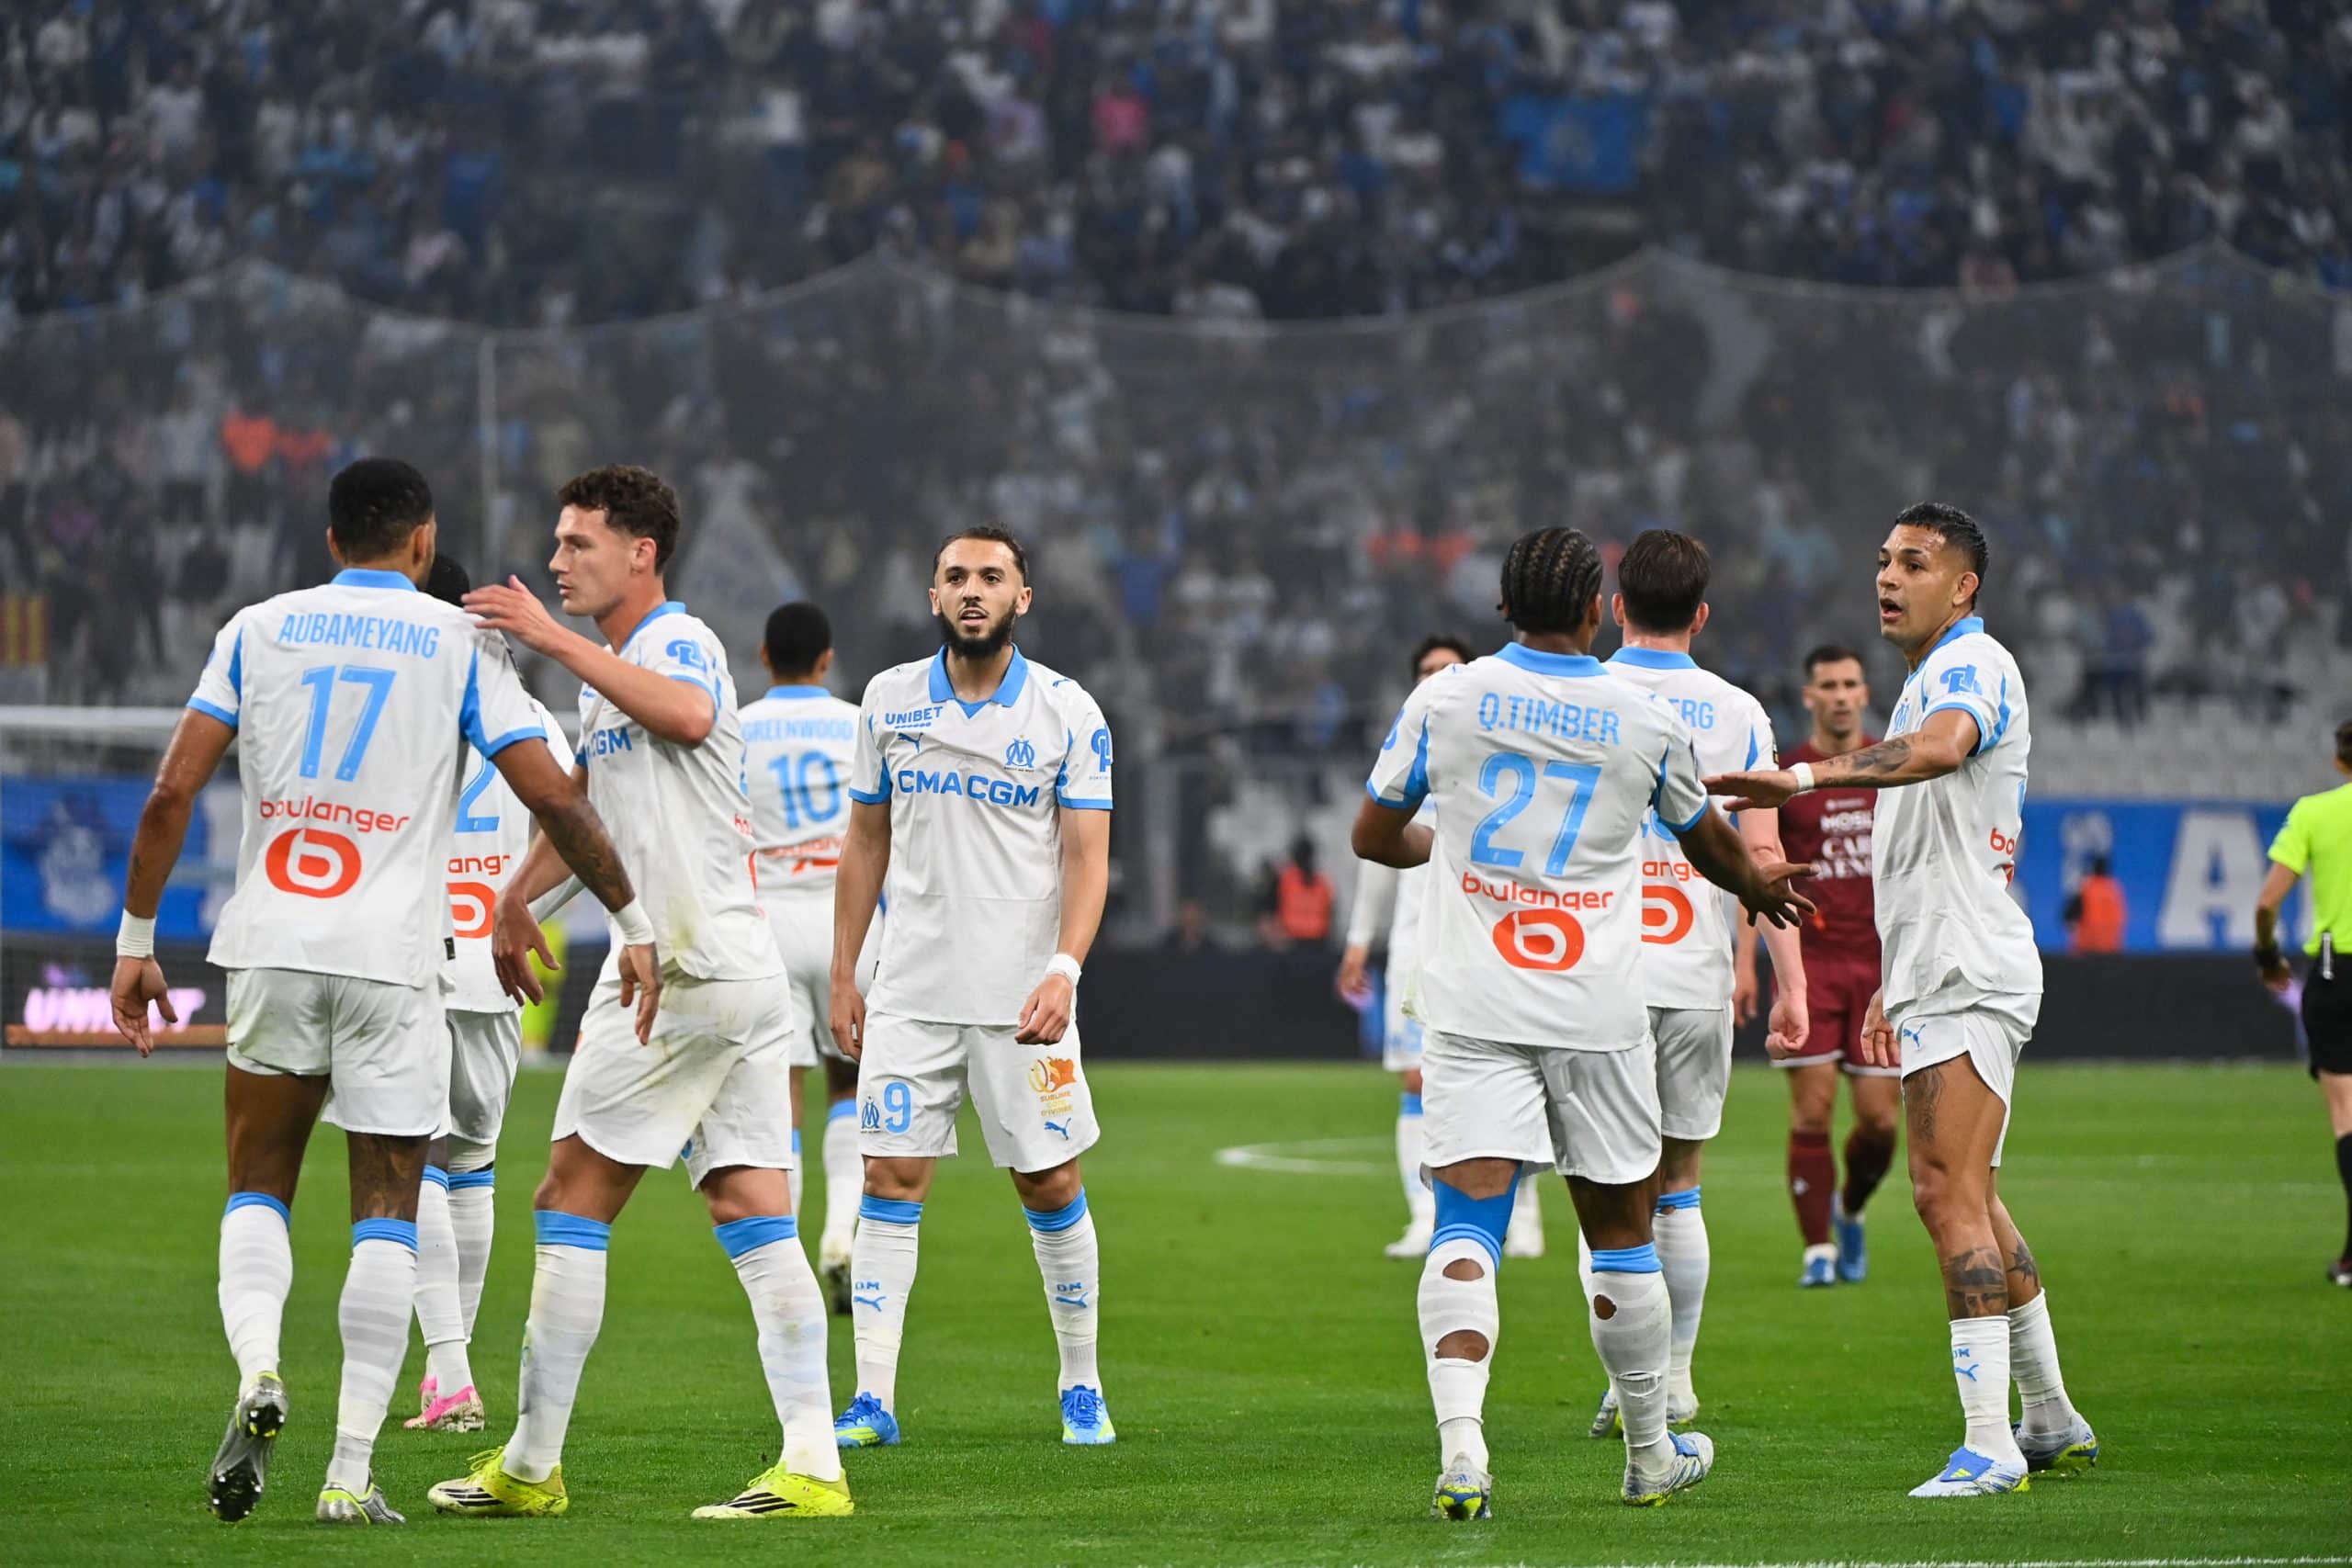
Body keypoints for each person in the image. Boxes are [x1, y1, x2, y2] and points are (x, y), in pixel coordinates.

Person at [107, 457, 650, 1526]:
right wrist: (629, 922)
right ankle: (349, 1474)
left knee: (257, 1184)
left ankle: (260, 1368)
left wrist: (136, 940)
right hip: (393, 962)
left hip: (269, 942)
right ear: (421, 542)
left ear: (329, 542)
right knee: (390, 1209)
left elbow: (173, 788)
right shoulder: (461, 645)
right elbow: (556, 797)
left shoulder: (257, 628)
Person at [1353, 525, 1814, 1517]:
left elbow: (1373, 833)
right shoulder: (1641, 718)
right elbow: (1713, 847)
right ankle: (1650, 1450)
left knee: (1465, 1217)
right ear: (1595, 611)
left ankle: (1464, 1448)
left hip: (1475, 999)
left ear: (1504, 610)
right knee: (1620, 1232)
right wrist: (1764, 893)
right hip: (1596, 1006)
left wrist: (1448, 845)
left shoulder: (1446, 697)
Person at [426, 465, 850, 1521]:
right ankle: (813, 1465)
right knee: (751, 1207)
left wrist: (550, 638)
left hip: (683, 969)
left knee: (569, 1196)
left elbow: (695, 716)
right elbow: (589, 814)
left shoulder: (676, 642)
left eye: (577, 544)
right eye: (558, 544)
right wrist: (517, 893)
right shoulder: (608, 670)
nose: (558, 561)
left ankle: (528, 1465)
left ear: (640, 553)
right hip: (733, 972)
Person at [1710, 502, 2099, 1498]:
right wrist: (1896, 973)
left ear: (1961, 585)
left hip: (1967, 970)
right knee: (1976, 1197)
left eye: (1913, 563)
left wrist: (1801, 775)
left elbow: (1934, 751)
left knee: (1942, 1198)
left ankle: (1987, 1445)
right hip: (1940, 968)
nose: (1887, 577)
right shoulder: (1935, 672)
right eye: (1882, 560)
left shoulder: (1970, 667)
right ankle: (2048, 1414)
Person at [828, 525, 1118, 1450]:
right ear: (931, 595)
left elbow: (1087, 859)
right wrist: (846, 968)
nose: (971, 589)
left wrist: (1065, 970)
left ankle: (1081, 1385)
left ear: (1022, 598)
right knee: (889, 1174)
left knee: (1048, 1180)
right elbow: (865, 841)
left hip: (1022, 1000)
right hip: (910, 988)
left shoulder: (1071, 713)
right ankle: (873, 1398)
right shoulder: (887, 700)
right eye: (954, 574)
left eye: (991, 576)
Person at [1585, 529, 1806, 1438]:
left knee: (1603, 1188)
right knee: (1679, 1180)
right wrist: (1789, 983)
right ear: (1702, 614)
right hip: (1694, 972)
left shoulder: (1580, 695)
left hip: (1591, 971)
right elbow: (1763, 855)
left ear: (1615, 605)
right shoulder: (1739, 711)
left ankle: (1626, 1388)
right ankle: (1673, 1378)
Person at [402, 556, 572, 1435]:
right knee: (470, 1165)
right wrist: (525, 911)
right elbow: (588, 831)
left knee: (415, 1162)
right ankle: (451, 1378)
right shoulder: (537, 719)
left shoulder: (408, 708)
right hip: (496, 976)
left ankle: (448, 1370)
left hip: (412, 966)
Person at [1340, 634, 1545, 1261]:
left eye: (1448, 669)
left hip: (1489, 935)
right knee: (1415, 1078)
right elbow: (1376, 854)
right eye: (1427, 670)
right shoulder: (1406, 752)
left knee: (1512, 1074)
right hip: (1416, 941)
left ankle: (1526, 1212)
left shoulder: (1490, 751)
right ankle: (1425, 1215)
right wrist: (1357, 941)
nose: (1437, 678)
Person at [740, 600, 877, 1313]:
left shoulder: (737, 726)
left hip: (766, 919)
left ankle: (784, 1264)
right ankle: (840, 1237)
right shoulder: (858, 720)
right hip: (845, 922)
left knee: (780, 1096)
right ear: (826, 659)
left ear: (765, 657)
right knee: (849, 1083)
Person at [1754, 644, 1900, 1288]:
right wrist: (1743, 962)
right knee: (1811, 1111)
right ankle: (1816, 1248)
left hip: (1877, 965)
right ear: (1809, 695)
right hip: (1810, 961)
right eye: (1828, 685)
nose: (1840, 694)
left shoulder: (1889, 764)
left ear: (1865, 693)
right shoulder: (1785, 773)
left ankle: (1850, 1209)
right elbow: (1756, 870)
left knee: (1880, 1119)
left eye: (1850, 683)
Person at [2254, 719, 2352, 1288]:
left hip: (2339, 975)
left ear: (2339, 761)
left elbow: (2268, 903)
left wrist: (2268, 959)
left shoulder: (2315, 813)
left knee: (2347, 1117)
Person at [2063, 855, 2127, 953]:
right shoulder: (2114, 890)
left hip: (2087, 948)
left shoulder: (2087, 888)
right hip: (2111, 949)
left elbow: (2068, 916)